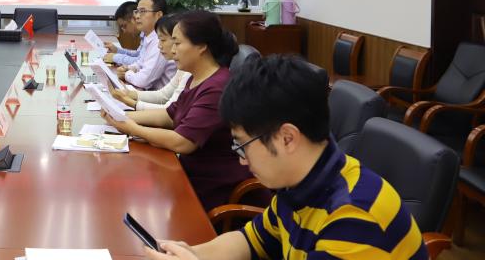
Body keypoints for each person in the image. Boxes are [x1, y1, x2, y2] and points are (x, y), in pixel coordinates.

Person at [142, 55, 428, 260]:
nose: (242, 160)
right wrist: (192, 252)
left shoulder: (354, 219)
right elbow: (251, 240)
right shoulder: (301, 181)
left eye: (242, 145)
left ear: (287, 138)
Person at [105, 10, 251, 210]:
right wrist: (121, 115)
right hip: (188, 173)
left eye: (177, 43)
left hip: (213, 187)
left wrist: (132, 128)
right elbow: (169, 115)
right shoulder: (196, 78)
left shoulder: (216, 87)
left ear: (201, 46)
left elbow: (183, 142)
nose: (172, 51)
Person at [113, 14, 187, 110]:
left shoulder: (187, 69)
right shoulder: (183, 70)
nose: (137, 16)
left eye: (177, 43)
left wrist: (129, 102)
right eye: (137, 11)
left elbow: (169, 112)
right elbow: (163, 95)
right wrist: (128, 94)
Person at [106, 0, 175, 91]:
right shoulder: (150, 37)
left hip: (159, 97)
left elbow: (144, 81)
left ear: (158, 15)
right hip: (149, 93)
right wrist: (129, 68)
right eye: (137, 11)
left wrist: (126, 74)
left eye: (142, 11)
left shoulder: (160, 40)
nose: (137, 16)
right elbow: (140, 62)